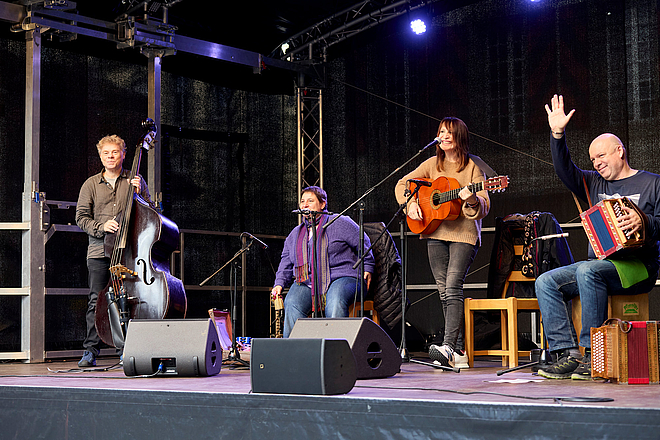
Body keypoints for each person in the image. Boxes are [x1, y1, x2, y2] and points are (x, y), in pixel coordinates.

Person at [535, 94, 660, 380]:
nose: (597, 162)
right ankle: (568, 355)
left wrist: (643, 220)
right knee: (546, 281)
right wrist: (557, 135)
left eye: (601, 156)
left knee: (589, 271)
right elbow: (565, 170)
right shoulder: (593, 182)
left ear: (619, 151)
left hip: (638, 267)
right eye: (593, 159)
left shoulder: (653, 184)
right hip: (604, 263)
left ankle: (594, 356)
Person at [395, 117, 490, 369]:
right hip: (435, 233)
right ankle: (457, 351)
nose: (444, 136)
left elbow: (484, 204)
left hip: (463, 235)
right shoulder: (431, 164)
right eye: (441, 132)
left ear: (459, 136)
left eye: (449, 132)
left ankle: (449, 346)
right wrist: (412, 203)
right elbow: (403, 184)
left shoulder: (472, 168)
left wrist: (471, 201)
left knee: (452, 285)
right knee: (443, 289)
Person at [75, 134, 153, 367]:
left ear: (123, 154)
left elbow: (149, 214)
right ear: (100, 156)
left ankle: (126, 350)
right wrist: (102, 226)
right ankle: (90, 351)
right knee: (95, 301)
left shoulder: (135, 180)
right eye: (106, 153)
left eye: (115, 152)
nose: (110, 156)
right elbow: (80, 218)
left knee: (127, 300)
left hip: (129, 252)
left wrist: (139, 195)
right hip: (100, 252)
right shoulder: (90, 184)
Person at [271, 186, 375, 338]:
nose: (305, 205)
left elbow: (364, 244)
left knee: (335, 299)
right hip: (309, 280)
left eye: (310, 201)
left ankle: (335, 352)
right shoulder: (295, 234)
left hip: (343, 276)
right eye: (302, 201)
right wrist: (279, 284)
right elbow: (286, 262)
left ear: (322, 204)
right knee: (292, 302)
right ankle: (293, 353)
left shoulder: (340, 222)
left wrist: (368, 266)